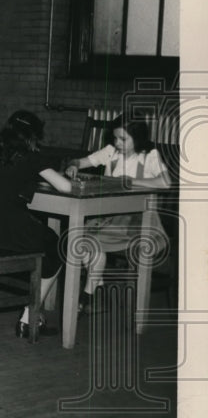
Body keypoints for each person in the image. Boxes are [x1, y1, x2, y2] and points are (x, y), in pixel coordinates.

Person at [0, 110, 71, 338]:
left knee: (46, 239)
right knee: (58, 245)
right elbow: (66, 187)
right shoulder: (31, 156)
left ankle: (32, 311)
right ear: (33, 136)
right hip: (10, 230)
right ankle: (30, 315)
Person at [65, 117, 170, 312]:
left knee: (90, 241)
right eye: (115, 138)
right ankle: (96, 290)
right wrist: (74, 165)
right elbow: (81, 161)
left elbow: (165, 183)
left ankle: (87, 297)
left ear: (137, 139)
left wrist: (132, 182)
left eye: (123, 139)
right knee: (80, 241)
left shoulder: (149, 156)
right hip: (108, 216)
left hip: (137, 221)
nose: (117, 143)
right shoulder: (111, 152)